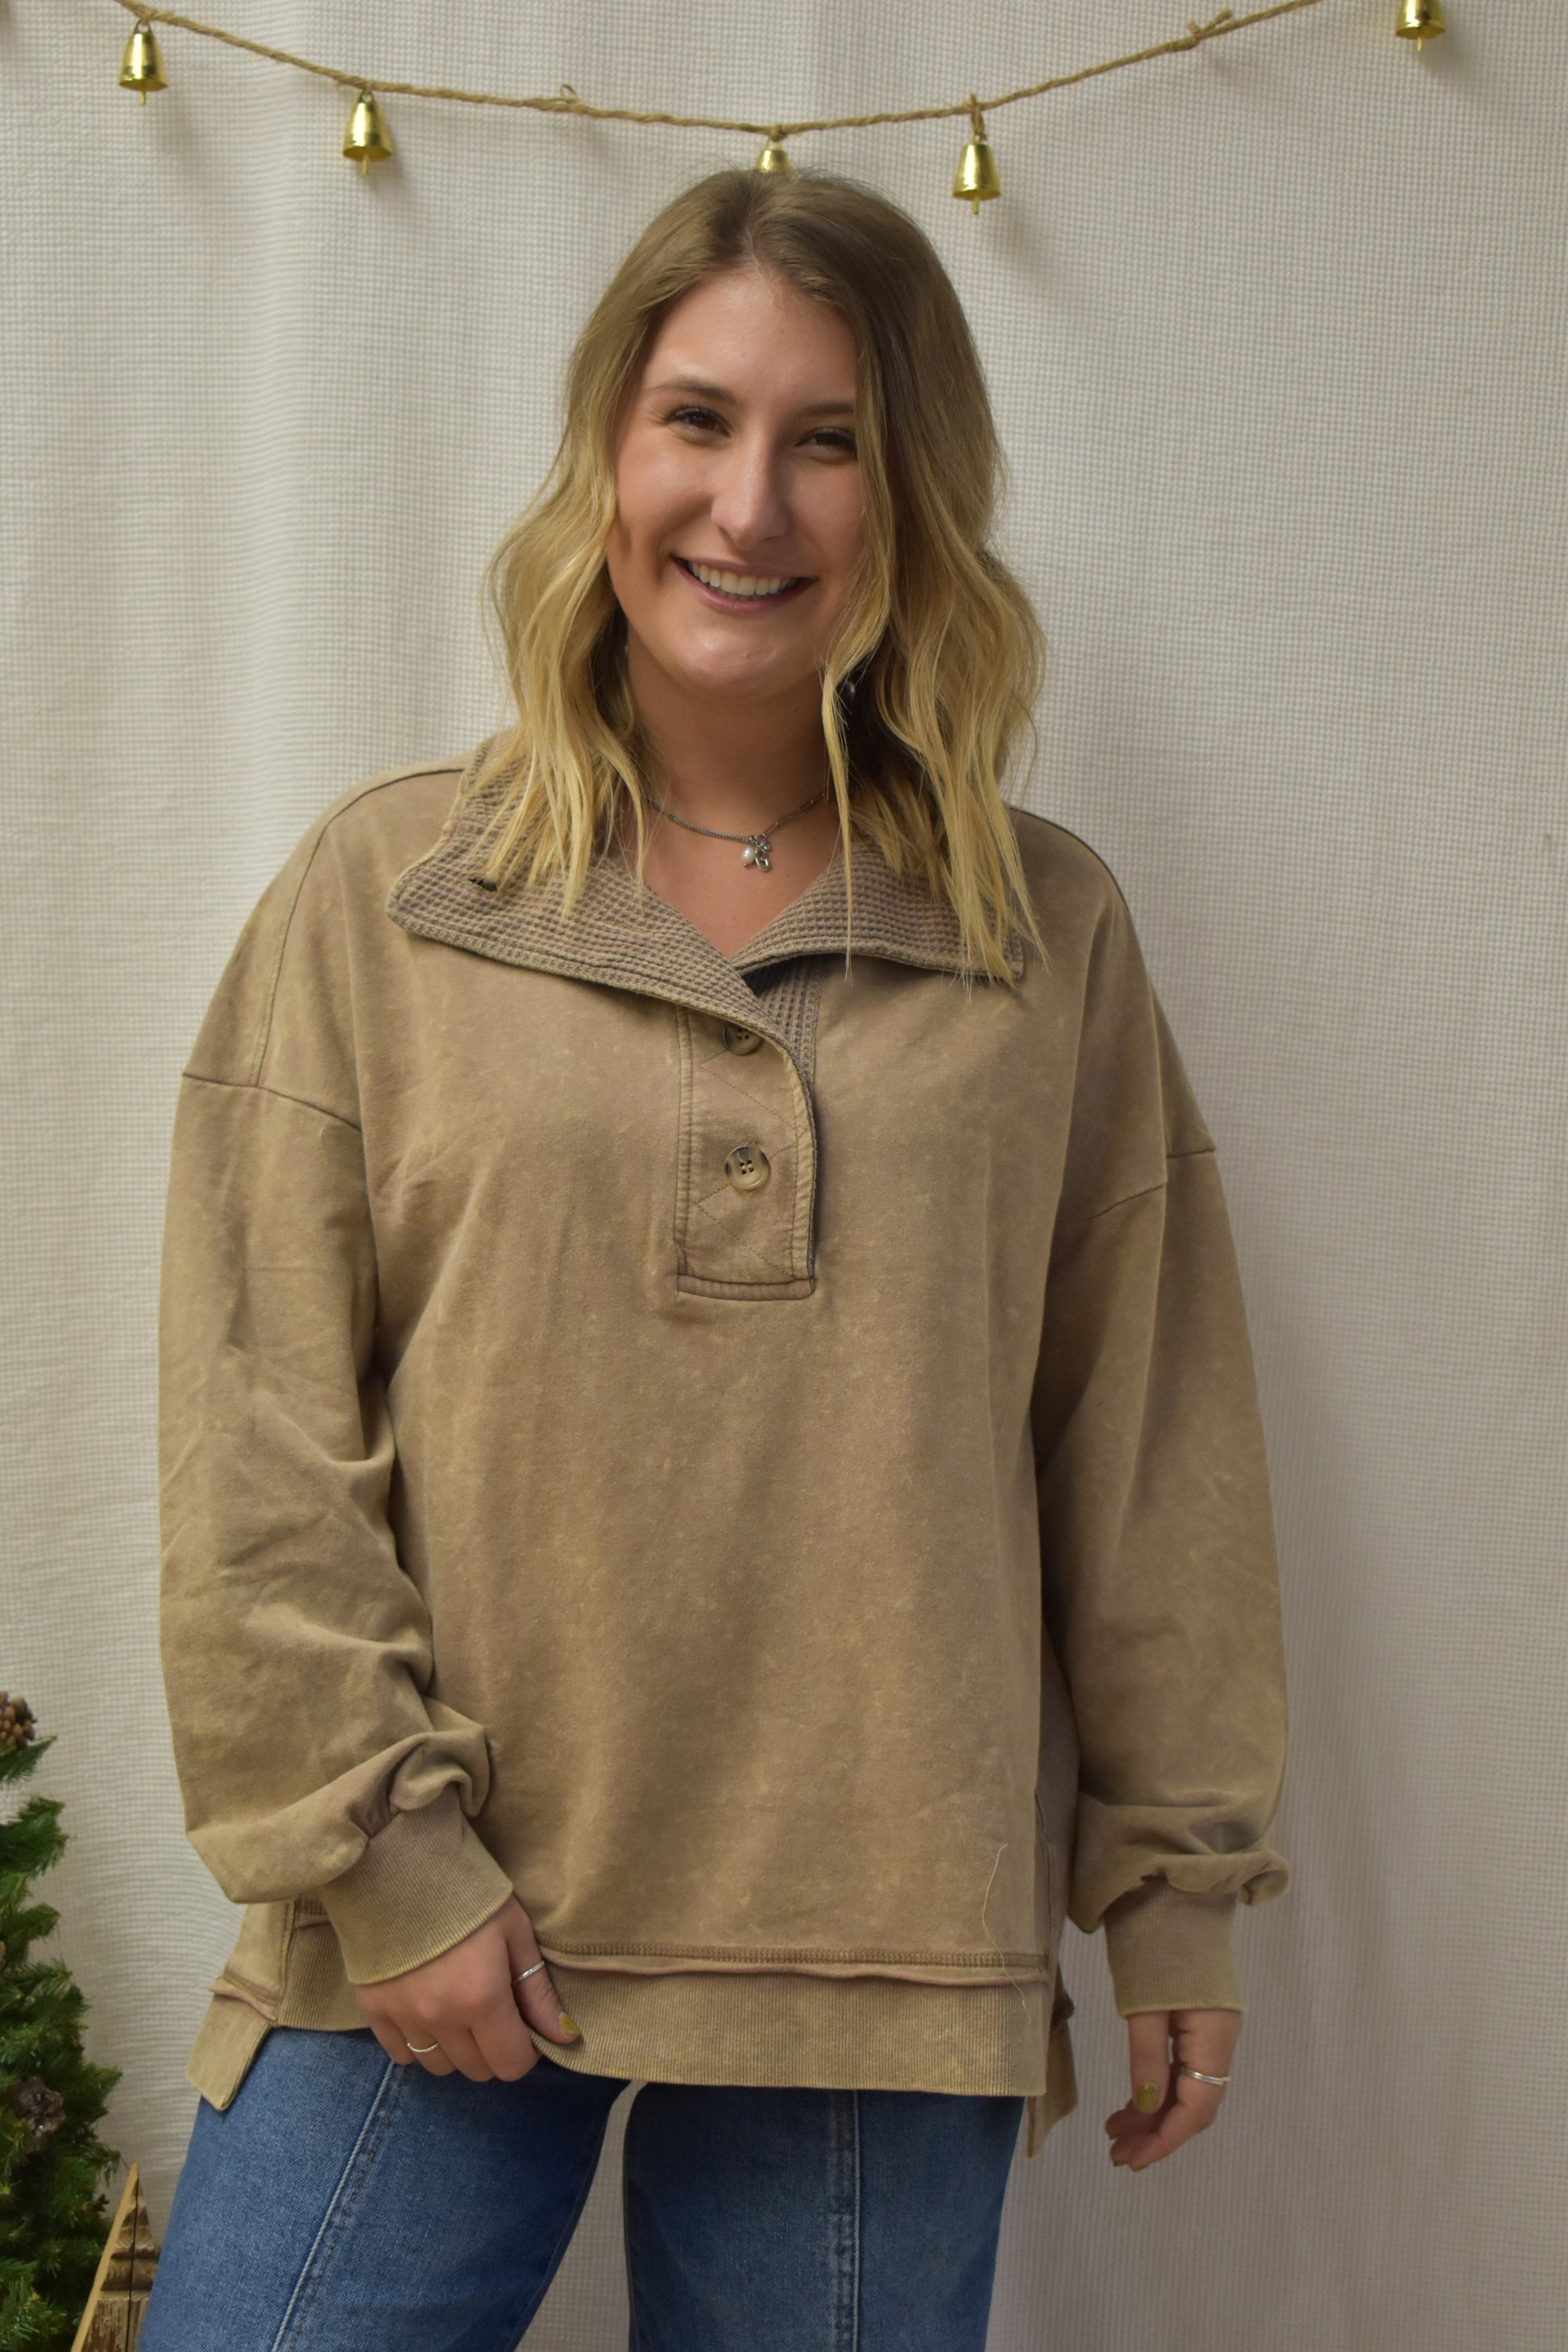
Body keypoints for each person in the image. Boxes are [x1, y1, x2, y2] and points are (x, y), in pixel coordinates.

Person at [139, 165, 1290, 2352]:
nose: (747, 503)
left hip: (882, 1936)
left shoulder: (1040, 934)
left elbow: (1151, 1440)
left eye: (827, 439)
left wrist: (1175, 1890)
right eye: (696, 419)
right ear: (607, 449)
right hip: (440, 1909)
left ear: (910, 497)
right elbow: (253, 1431)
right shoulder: (388, 893)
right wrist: (385, 1860)